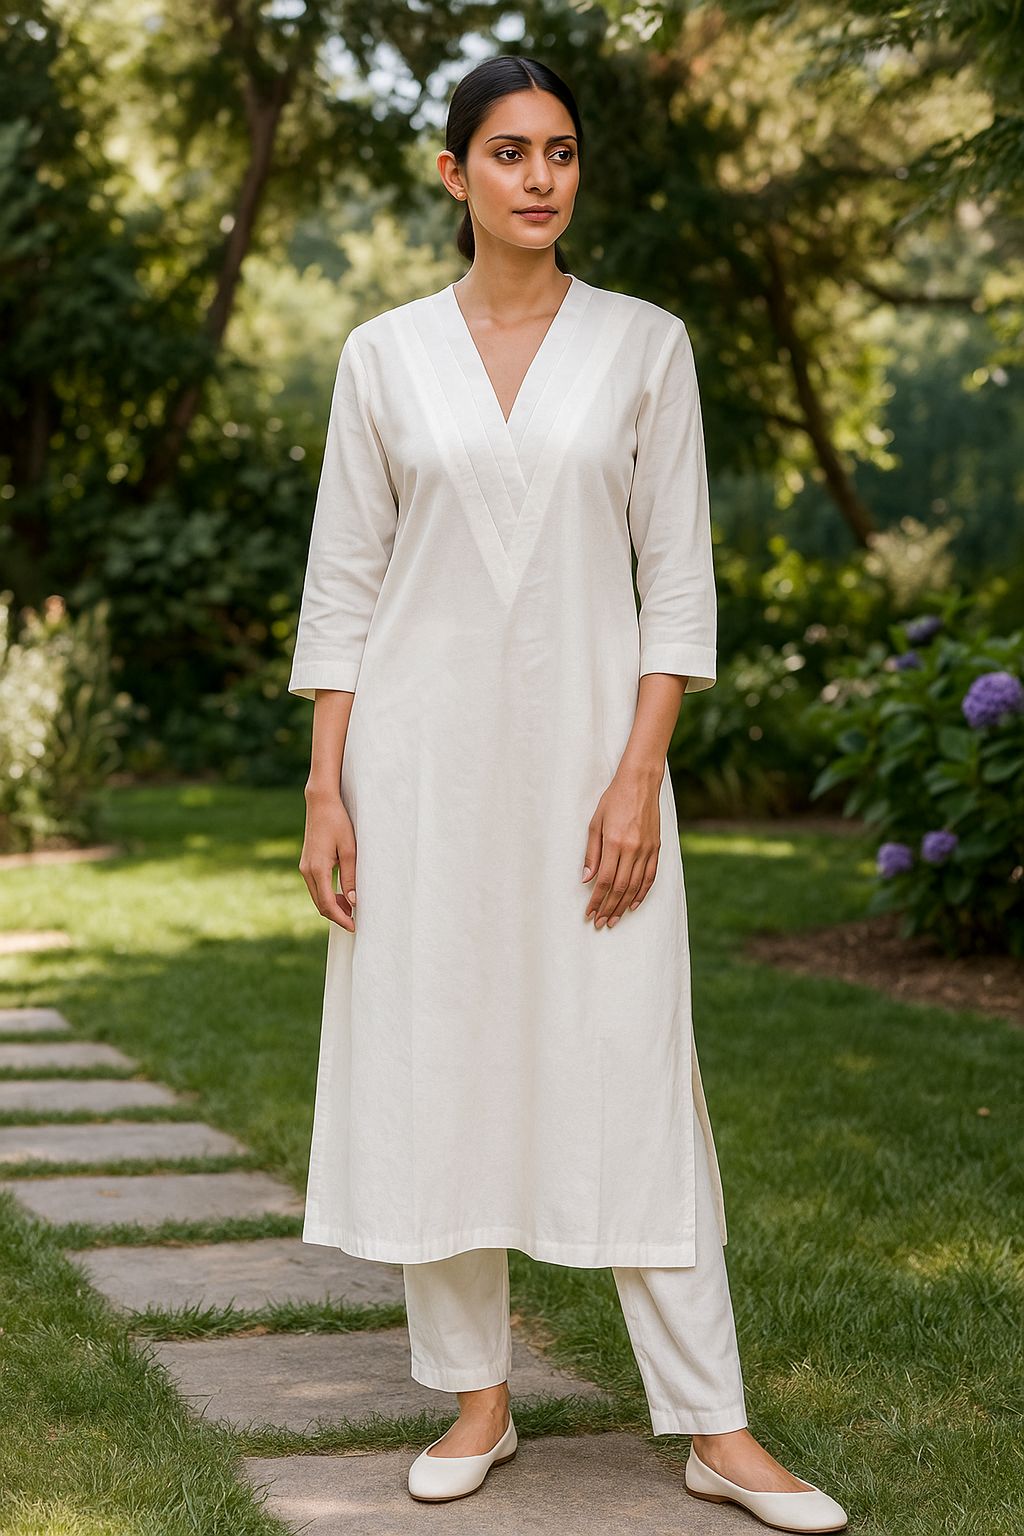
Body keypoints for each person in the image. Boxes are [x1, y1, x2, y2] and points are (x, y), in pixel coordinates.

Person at [290, 53, 848, 1535]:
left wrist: (638, 774)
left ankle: (717, 1426)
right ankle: (477, 1397)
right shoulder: (383, 356)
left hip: (596, 768)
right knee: (438, 1060)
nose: (540, 177)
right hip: (420, 770)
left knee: (634, 1070)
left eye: (561, 152)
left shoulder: (646, 345)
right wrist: (328, 784)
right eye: (509, 152)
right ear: (454, 172)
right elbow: (344, 582)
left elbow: (679, 583)